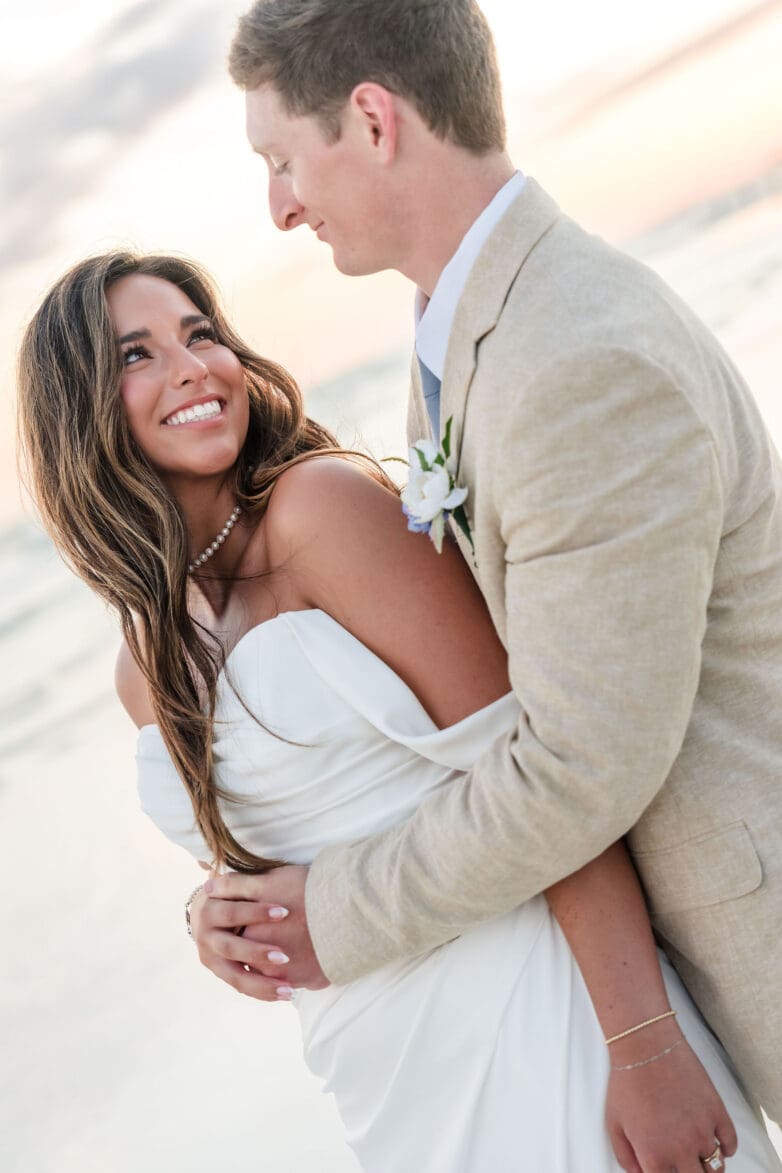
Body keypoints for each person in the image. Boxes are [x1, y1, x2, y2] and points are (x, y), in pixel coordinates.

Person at [16, 251, 780, 1172]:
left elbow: (536, 770)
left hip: (543, 1012)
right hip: (389, 1079)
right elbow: (286, 850)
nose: (191, 367)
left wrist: (646, 1045)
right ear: (80, 412)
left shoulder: (318, 511)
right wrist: (210, 917)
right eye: (138, 353)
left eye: (200, 333)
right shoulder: (144, 670)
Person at [193, 0, 782, 1135]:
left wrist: (337, 914)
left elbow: (577, 762)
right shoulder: (473, 328)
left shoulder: (573, 357)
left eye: (279, 159)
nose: (277, 207)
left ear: (370, 120)